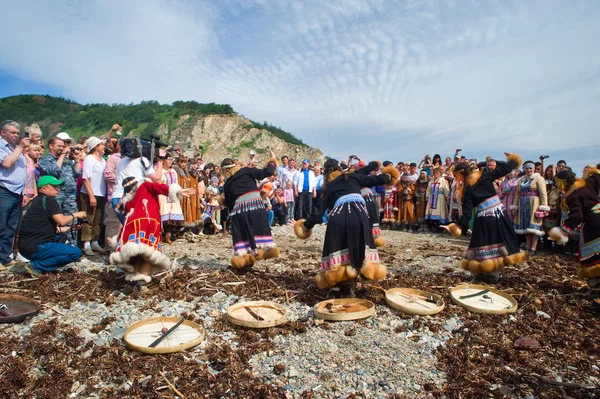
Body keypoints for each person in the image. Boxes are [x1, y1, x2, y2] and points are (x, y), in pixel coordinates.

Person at [294, 159, 399, 297]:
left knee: (339, 251)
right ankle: (350, 287)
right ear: (340, 169)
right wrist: (387, 176)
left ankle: (338, 287)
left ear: (326, 174)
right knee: (357, 249)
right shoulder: (353, 176)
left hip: (338, 217)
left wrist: (306, 226)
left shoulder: (329, 187)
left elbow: (318, 212)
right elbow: (374, 179)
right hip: (359, 215)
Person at [441, 154, 526, 279]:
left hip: (485, 217)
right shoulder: (484, 176)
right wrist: (513, 160)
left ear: (462, 173)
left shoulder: (468, 189)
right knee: (499, 241)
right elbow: (504, 169)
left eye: (458, 175)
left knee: (483, 243)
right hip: (499, 214)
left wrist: (456, 226)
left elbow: (467, 213)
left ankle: (486, 271)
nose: (458, 179)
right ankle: (494, 272)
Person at [110, 177, 194, 290]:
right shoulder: (144, 185)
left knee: (136, 252)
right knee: (150, 253)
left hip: (132, 226)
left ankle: (133, 279)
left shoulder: (128, 202)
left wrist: (118, 239)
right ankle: (143, 278)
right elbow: (157, 187)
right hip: (149, 221)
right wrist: (176, 190)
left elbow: (126, 220)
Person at [220, 149, 280, 270]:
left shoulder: (227, 185)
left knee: (242, 234)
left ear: (226, 170)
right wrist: (272, 160)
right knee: (258, 231)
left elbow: (230, 205)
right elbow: (267, 172)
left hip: (239, 211)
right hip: (256, 206)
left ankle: (244, 259)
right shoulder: (246, 171)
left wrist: (222, 201)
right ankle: (261, 251)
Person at [18, 176, 87, 277]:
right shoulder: (49, 200)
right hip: (35, 246)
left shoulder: (38, 201)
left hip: (26, 246)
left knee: (59, 237)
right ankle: (37, 266)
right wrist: (76, 214)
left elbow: (50, 228)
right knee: (75, 253)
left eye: (58, 186)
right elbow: (62, 221)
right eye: (54, 186)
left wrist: (70, 228)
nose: (58, 189)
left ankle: (41, 263)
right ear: (44, 188)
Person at [549, 168, 600, 291]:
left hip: (594, 224)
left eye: (558, 182)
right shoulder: (587, 182)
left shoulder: (572, 195)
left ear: (564, 183)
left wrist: (563, 231)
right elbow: (598, 177)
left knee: (592, 257)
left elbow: (577, 216)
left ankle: (596, 285)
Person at [38, 137, 82, 243]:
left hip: (70, 194)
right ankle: (54, 244)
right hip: (56, 194)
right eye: (59, 146)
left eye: (63, 146)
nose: (61, 148)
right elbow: (53, 171)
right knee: (55, 220)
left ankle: (72, 244)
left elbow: (77, 174)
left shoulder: (67, 160)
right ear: (51, 146)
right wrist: (62, 155)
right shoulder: (45, 159)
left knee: (72, 220)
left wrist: (76, 160)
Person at [0, 120, 30, 268]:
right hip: (4, 189)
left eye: (17, 133)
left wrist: (24, 191)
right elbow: (6, 164)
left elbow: (21, 171)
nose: (16, 135)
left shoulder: (15, 148)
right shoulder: (2, 147)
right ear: (2, 132)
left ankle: (5, 256)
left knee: (11, 227)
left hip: (17, 191)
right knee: (1, 225)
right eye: (12, 133)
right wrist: (19, 148)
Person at [511, 161, 550, 255]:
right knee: (526, 226)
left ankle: (533, 247)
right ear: (524, 169)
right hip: (523, 204)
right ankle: (528, 246)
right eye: (527, 168)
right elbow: (517, 194)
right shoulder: (521, 180)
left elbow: (543, 193)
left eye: (530, 168)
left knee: (534, 226)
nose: (529, 170)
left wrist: (544, 207)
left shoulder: (538, 178)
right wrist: (515, 206)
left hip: (534, 204)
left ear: (533, 169)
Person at [80, 137, 107, 256]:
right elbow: (85, 178)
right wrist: (91, 195)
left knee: (98, 219)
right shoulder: (89, 159)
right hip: (89, 192)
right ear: (96, 146)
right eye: (101, 145)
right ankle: (86, 243)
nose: (104, 147)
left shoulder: (103, 160)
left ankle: (95, 241)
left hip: (101, 193)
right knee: (89, 217)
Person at [159, 153, 184, 244]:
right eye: (168, 159)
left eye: (171, 159)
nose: (170, 161)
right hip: (163, 195)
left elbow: (176, 183)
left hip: (172, 195)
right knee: (163, 215)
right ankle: (160, 235)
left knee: (171, 216)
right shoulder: (160, 171)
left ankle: (168, 235)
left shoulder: (173, 171)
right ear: (164, 160)